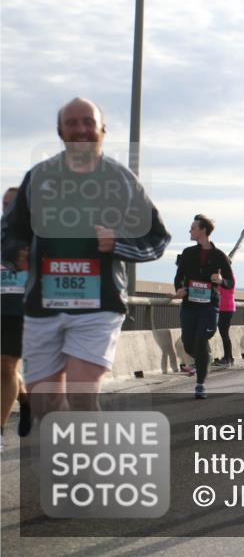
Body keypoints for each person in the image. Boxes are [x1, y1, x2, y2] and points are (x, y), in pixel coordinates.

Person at [2, 97, 170, 424]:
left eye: (88, 122)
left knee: (81, 393)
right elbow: (8, 231)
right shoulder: (38, 177)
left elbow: (157, 237)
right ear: (60, 131)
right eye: (72, 123)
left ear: (102, 130)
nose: (81, 129)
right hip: (42, 304)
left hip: (98, 304)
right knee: (45, 402)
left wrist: (118, 242)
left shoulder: (120, 180)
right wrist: (17, 253)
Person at [172, 215, 234, 399]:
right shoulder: (188, 253)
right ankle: (204, 357)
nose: (190, 231)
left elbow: (230, 282)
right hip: (189, 305)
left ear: (203, 231)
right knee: (188, 342)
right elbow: (178, 276)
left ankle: (200, 384)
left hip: (209, 307)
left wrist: (222, 280)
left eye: (193, 228)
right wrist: (179, 289)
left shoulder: (220, 256)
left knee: (201, 340)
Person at [1, 187, 31, 445]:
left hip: (22, 311)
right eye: (4, 204)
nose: (7, 209)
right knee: (5, 368)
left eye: (13, 204)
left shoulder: (37, 239)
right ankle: (24, 397)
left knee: (7, 365)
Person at [213, 270, 237, 368]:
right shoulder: (227, 277)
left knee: (224, 334)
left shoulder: (229, 277)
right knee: (224, 333)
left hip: (227, 307)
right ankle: (229, 357)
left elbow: (220, 289)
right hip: (225, 307)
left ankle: (228, 358)